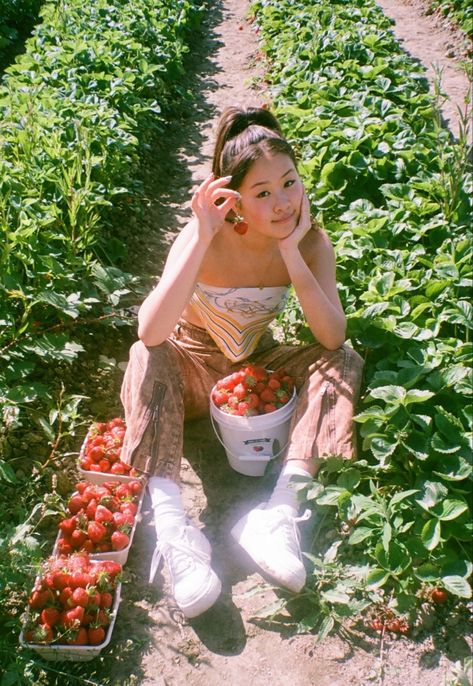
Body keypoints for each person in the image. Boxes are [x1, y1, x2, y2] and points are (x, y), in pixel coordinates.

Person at [120, 106, 363, 619]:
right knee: (145, 354)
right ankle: (174, 528)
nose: (283, 203)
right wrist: (203, 234)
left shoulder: (312, 241)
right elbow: (151, 330)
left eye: (290, 183)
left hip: (252, 367)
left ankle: (279, 512)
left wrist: (292, 251)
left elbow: (331, 334)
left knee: (342, 360)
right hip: (190, 365)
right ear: (234, 199)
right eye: (263, 193)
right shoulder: (204, 236)